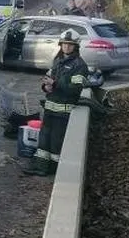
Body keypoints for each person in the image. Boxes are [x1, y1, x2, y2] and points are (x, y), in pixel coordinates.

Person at [24, 30, 89, 176]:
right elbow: (48, 78)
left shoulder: (80, 66)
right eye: (64, 44)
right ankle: (40, 166)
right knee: (44, 139)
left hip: (64, 112)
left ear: (76, 46)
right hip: (50, 108)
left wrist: (55, 84)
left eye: (70, 44)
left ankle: (53, 170)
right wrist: (45, 86)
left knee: (56, 142)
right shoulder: (57, 60)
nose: (67, 47)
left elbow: (75, 90)